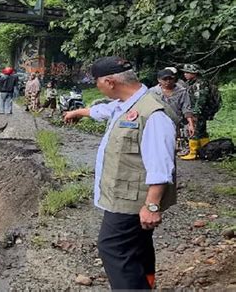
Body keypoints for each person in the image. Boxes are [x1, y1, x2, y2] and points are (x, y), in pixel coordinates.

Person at [63, 56, 178, 290]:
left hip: (131, 201)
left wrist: (152, 206)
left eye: (97, 82)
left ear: (109, 82)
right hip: (128, 196)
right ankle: (146, 282)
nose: (96, 86)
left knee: (113, 248)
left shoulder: (153, 114)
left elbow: (161, 165)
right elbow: (103, 111)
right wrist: (78, 113)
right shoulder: (127, 104)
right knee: (137, 245)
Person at [179, 63, 214, 160]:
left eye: (187, 72)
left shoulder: (199, 84)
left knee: (194, 131)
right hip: (199, 111)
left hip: (198, 112)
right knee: (202, 132)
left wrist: (195, 113)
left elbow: (200, 100)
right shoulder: (193, 83)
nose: (185, 74)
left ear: (194, 73)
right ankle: (205, 151)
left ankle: (193, 152)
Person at [150, 68, 195, 140]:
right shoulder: (152, 92)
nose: (168, 81)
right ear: (159, 80)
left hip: (177, 123)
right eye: (165, 79)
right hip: (158, 124)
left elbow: (187, 108)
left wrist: (191, 124)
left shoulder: (182, 91)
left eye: (170, 78)